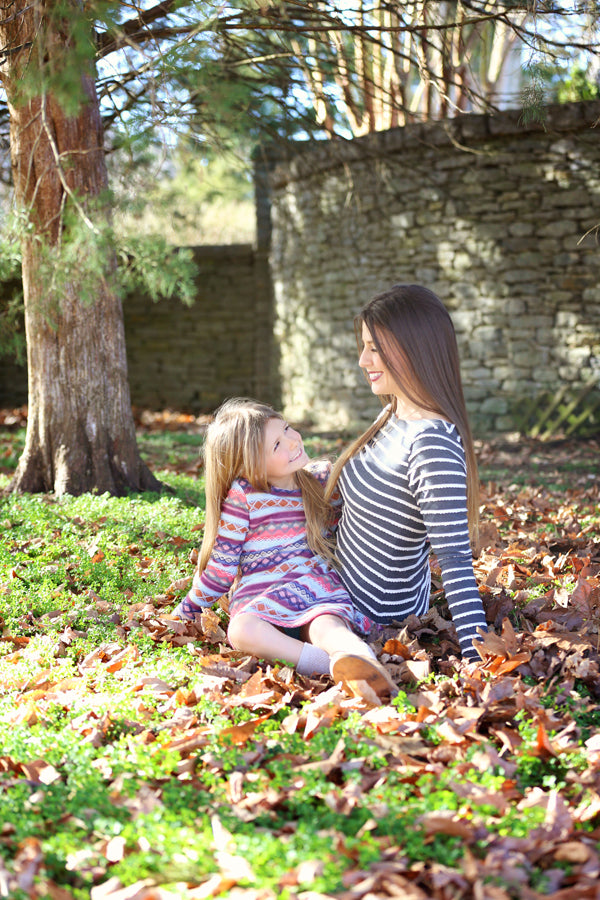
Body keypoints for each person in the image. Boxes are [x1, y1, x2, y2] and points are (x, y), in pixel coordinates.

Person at [173, 398, 397, 699]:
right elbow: (221, 571)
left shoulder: (320, 481)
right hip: (261, 603)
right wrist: (184, 612)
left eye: (287, 429)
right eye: (277, 445)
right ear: (248, 465)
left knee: (325, 625)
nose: (293, 441)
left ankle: (360, 659)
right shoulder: (245, 497)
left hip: (314, 590)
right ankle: (325, 664)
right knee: (240, 630)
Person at [325, 284, 487, 662]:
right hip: (335, 582)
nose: (363, 361)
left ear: (414, 349)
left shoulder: (432, 442)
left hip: (367, 614)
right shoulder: (395, 410)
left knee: (250, 619)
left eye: (375, 348)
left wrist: (480, 659)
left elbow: (456, 561)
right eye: (364, 346)